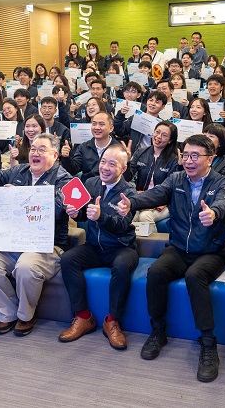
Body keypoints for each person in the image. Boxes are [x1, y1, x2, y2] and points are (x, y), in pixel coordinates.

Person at [116, 134, 225, 383]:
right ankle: (158, 331)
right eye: (186, 155)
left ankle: (208, 344)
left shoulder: (221, 182)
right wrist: (132, 203)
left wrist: (213, 213)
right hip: (179, 249)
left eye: (195, 156)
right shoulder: (177, 179)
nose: (189, 160)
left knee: (195, 277)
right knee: (156, 272)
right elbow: (156, 195)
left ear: (210, 159)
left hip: (211, 252)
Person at [0, 133, 73, 336]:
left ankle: (26, 315)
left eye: (41, 150)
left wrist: (21, 196)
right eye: (33, 149)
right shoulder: (20, 170)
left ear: (55, 155)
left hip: (47, 246)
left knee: (26, 266)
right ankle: (8, 313)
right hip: (14, 242)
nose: (35, 154)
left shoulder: (65, 179)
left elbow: (54, 210)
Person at [59, 144, 139, 349]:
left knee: (122, 267)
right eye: (103, 161)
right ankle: (83, 316)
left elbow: (122, 226)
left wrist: (101, 217)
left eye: (112, 164)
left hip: (121, 247)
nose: (105, 167)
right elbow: (86, 211)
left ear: (123, 168)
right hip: (95, 246)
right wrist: (77, 214)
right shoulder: (92, 182)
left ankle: (112, 321)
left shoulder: (128, 192)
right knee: (68, 259)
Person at [127, 121, 179, 229]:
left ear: (170, 140)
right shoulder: (140, 153)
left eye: (164, 135)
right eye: (157, 132)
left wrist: (153, 202)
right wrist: (126, 162)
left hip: (163, 203)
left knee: (145, 217)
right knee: (131, 216)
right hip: (140, 197)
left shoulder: (174, 160)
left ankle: (153, 245)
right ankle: (131, 244)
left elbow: (171, 188)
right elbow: (127, 177)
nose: (158, 137)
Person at [61, 111, 118, 182]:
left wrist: (127, 160)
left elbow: (126, 177)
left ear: (111, 128)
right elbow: (73, 171)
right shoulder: (84, 147)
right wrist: (66, 158)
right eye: (94, 124)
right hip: (88, 188)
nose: (97, 127)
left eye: (101, 124)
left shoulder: (118, 149)